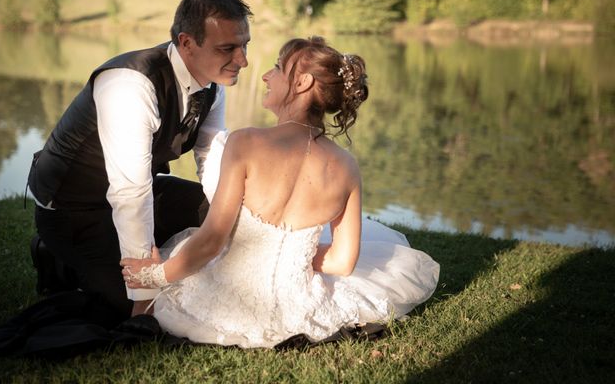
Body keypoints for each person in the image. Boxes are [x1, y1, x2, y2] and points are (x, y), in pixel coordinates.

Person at [120, 36, 440, 348]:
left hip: (226, 303)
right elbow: (343, 263)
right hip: (299, 304)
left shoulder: (245, 143)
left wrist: (155, 276)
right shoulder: (346, 167)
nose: (266, 76)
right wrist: (291, 257)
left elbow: (211, 240)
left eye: (277, 67)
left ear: (301, 83)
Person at [27, 0, 252, 319]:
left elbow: (211, 158)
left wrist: (222, 223)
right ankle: (56, 257)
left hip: (144, 192)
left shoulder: (213, 83)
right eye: (227, 48)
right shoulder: (129, 84)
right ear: (187, 43)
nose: (242, 60)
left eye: (244, 45)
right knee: (149, 306)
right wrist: (143, 294)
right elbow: (129, 191)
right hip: (75, 209)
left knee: (236, 220)